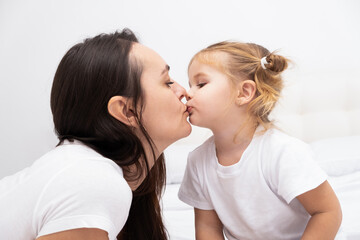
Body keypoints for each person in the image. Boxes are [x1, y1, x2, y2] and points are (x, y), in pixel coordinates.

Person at [0, 28, 191, 240]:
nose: (183, 91)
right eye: (167, 82)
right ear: (127, 111)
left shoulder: (97, 174)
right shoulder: (94, 181)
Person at [178, 41, 342, 239]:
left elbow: (328, 212)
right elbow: (208, 229)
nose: (187, 93)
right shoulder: (198, 162)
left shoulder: (282, 152)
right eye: (190, 84)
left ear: (244, 92)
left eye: (201, 84)